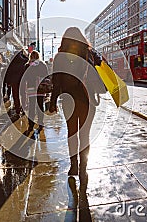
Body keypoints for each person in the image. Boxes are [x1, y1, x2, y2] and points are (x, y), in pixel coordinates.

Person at [49, 27, 99, 184]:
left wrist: (52, 102)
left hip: (68, 100)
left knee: (72, 133)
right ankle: (83, 168)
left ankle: (74, 167)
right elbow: (100, 68)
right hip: (87, 99)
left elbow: (56, 82)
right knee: (85, 135)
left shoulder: (59, 57)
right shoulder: (89, 54)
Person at [22, 50, 49, 138]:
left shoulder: (27, 65)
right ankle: (41, 123)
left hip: (31, 88)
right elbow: (46, 76)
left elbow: (24, 77)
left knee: (32, 107)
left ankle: (31, 125)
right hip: (40, 87)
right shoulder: (42, 64)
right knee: (40, 106)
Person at [4, 49, 28, 120]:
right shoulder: (25, 60)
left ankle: (17, 109)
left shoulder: (11, 62)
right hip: (23, 81)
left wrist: (7, 81)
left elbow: (8, 72)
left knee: (15, 95)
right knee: (23, 94)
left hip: (14, 81)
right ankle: (24, 109)